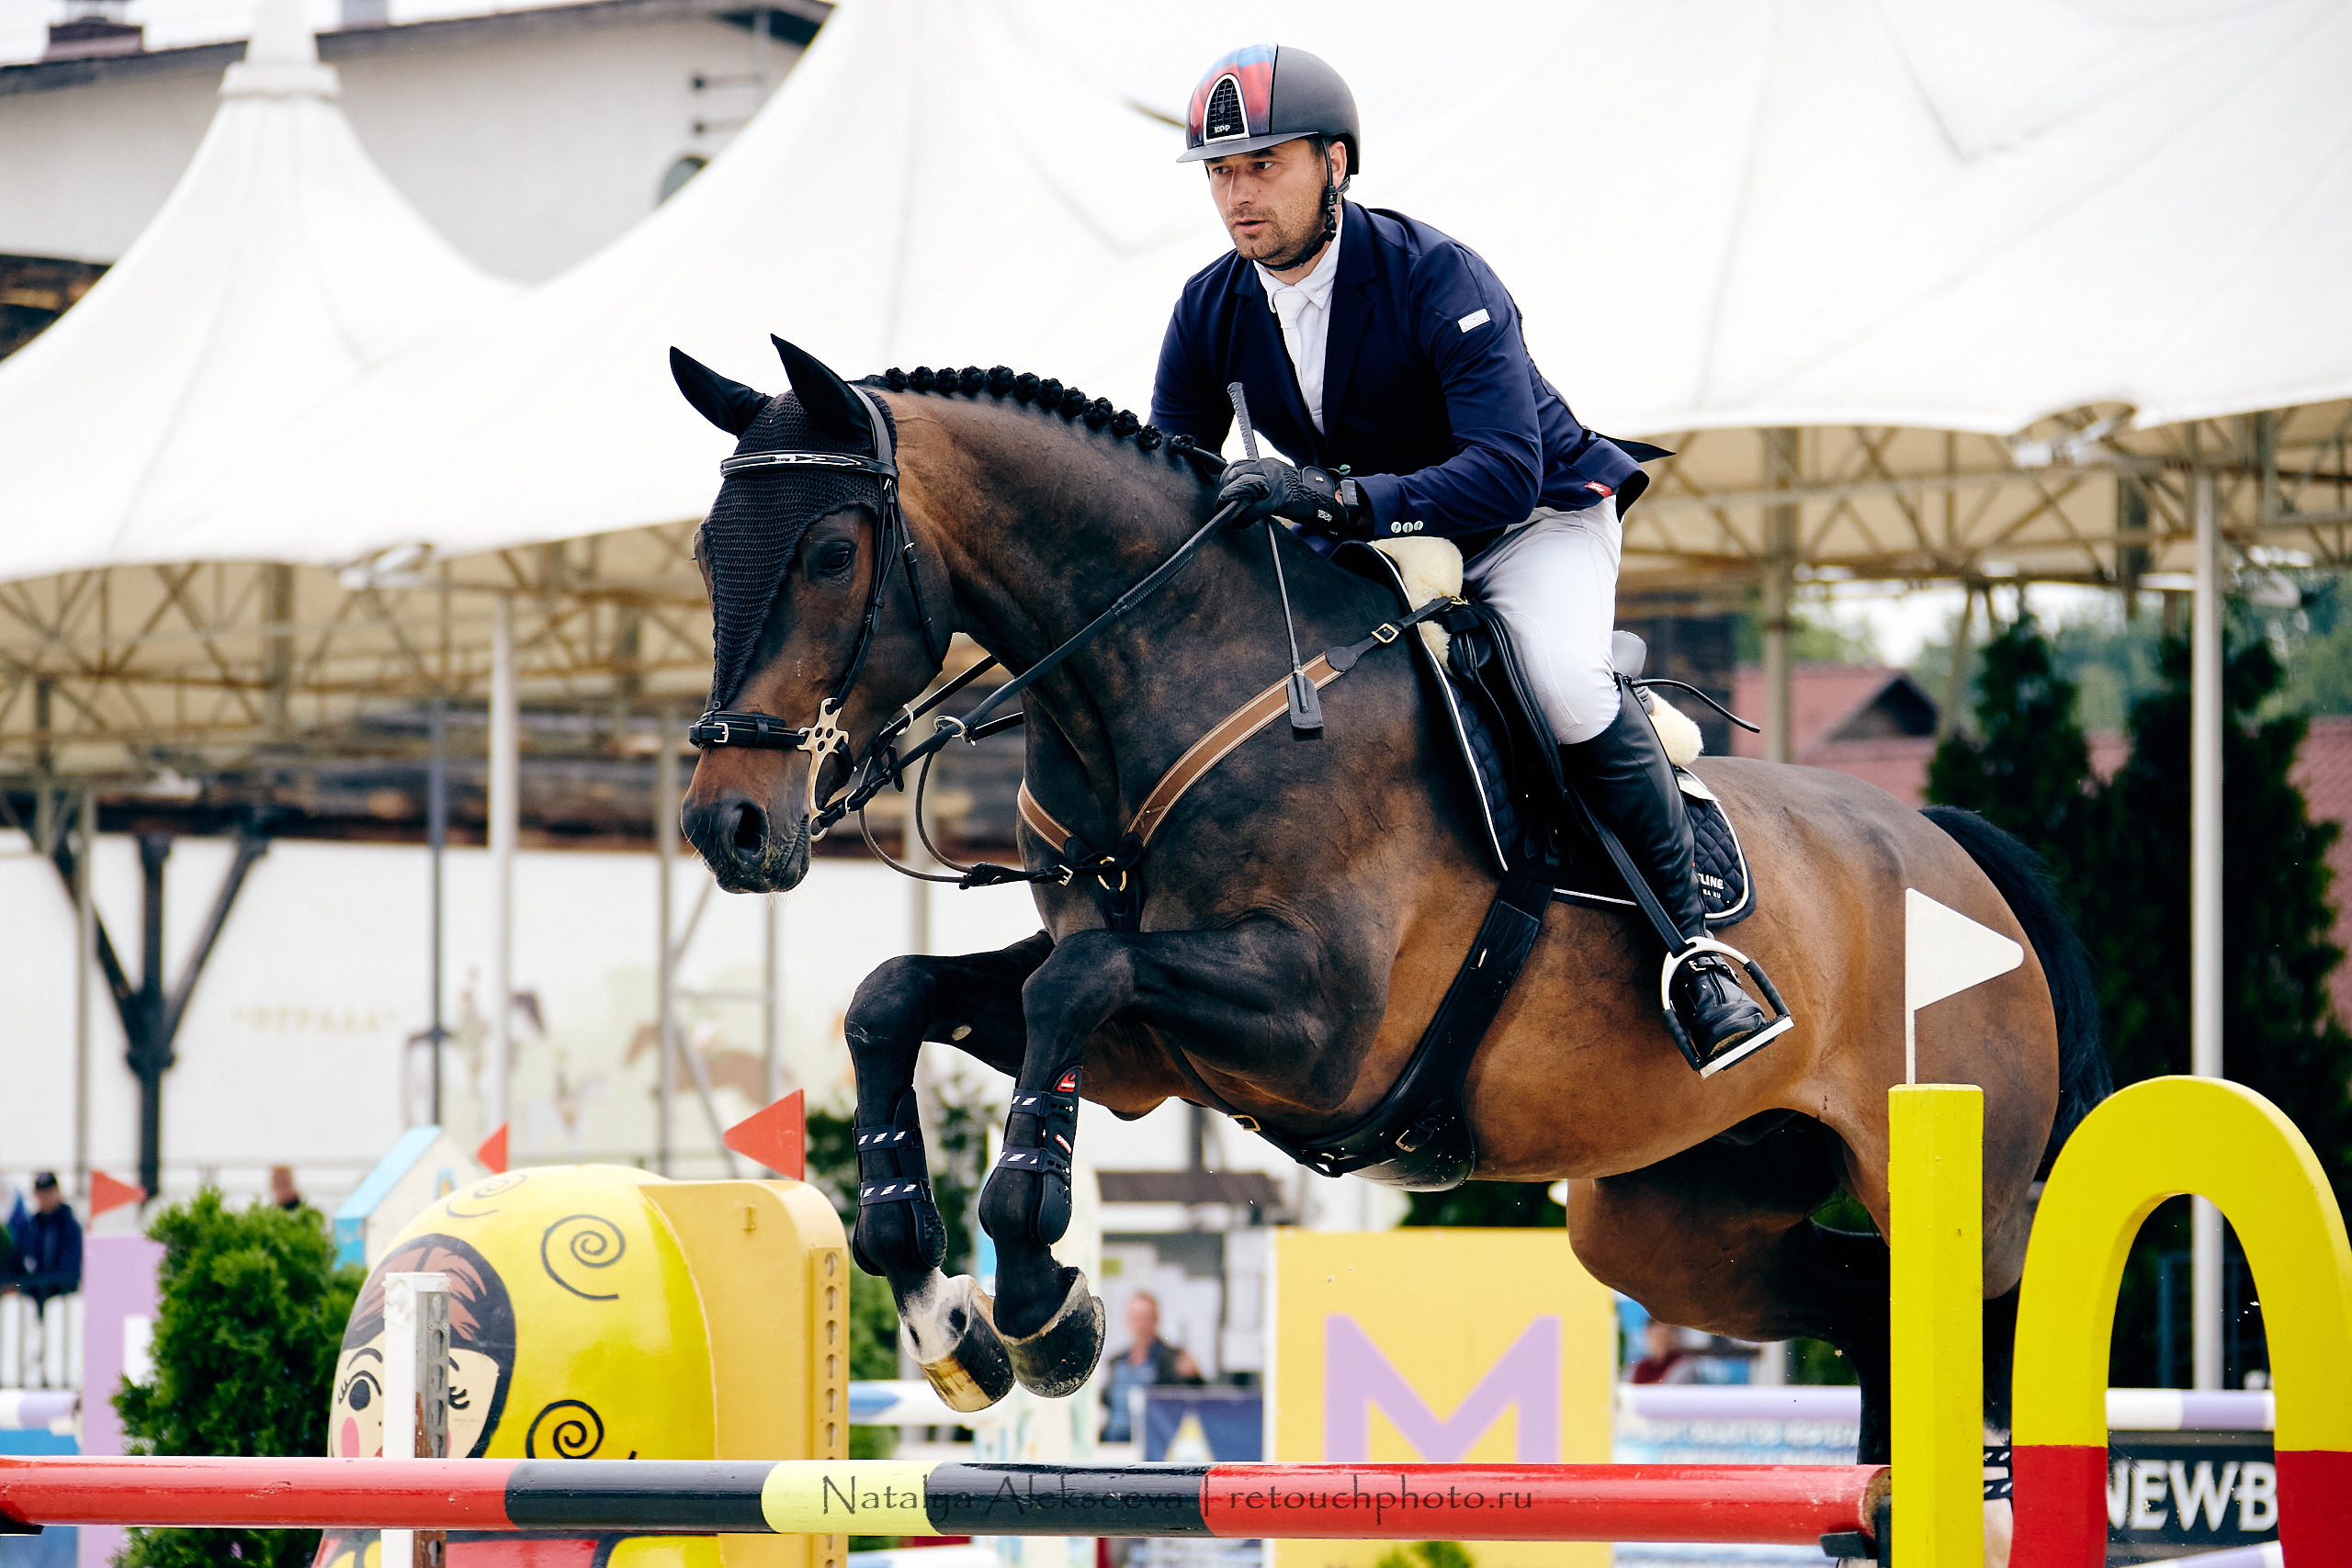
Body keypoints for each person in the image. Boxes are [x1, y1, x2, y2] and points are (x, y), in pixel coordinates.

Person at [1150, 45, 1787, 1074]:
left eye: (1263, 164)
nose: (1238, 194)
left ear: (1336, 163)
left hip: (1530, 522)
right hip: (1379, 544)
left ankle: (1695, 954)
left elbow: (1500, 470)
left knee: (1566, 684)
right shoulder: (1209, 307)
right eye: (1222, 172)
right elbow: (1173, 473)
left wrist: (1335, 499)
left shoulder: (1434, 276)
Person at [1099, 1292, 1203, 1443]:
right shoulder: (1115, 1361)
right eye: (1135, 1318)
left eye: (1144, 1318)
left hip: (1153, 1444)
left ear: (1156, 1320)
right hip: (1113, 1441)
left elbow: (1194, 1399)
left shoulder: (1172, 1359)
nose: (1140, 1325)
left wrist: (1193, 1377)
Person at [5, 1174, 83, 1306]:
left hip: (61, 1299)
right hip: (31, 1299)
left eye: (49, 1192)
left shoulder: (69, 1227)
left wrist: (41, 1284)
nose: (45, 1197)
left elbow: (69, 1270)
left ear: (57, 1192)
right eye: (41, 1192)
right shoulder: (30, 1227)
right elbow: (15, 1263)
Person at [1627, 1319, 1699, 1385]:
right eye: (1656, 1335)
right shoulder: (1636, 1368)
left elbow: (1669, 1392)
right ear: (1647, 1335)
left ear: (1673, 1336)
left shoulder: (1684, 1366)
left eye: (1664, 1335)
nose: (1660, 1341)